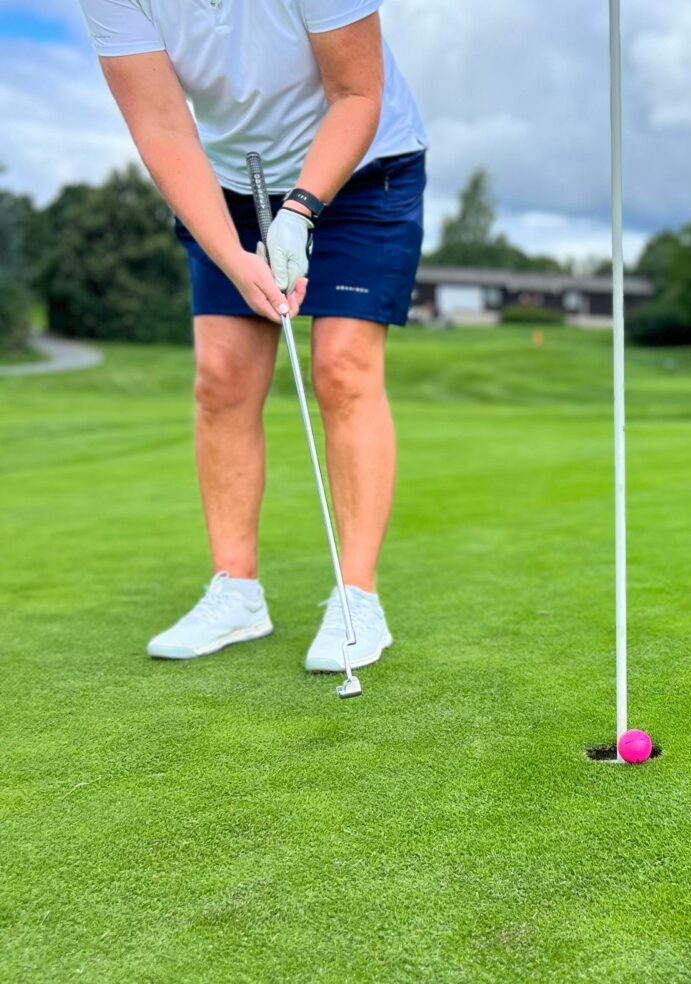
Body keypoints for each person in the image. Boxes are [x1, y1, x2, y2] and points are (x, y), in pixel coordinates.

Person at [78, 0, 428, 673]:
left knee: (343, 368)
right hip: (229, 185)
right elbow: (161, 125)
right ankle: (237, 592)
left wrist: (301, 211)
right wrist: (236, 259)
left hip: (365, 166)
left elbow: (357, 92)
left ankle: (358, 597)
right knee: (222, 380)